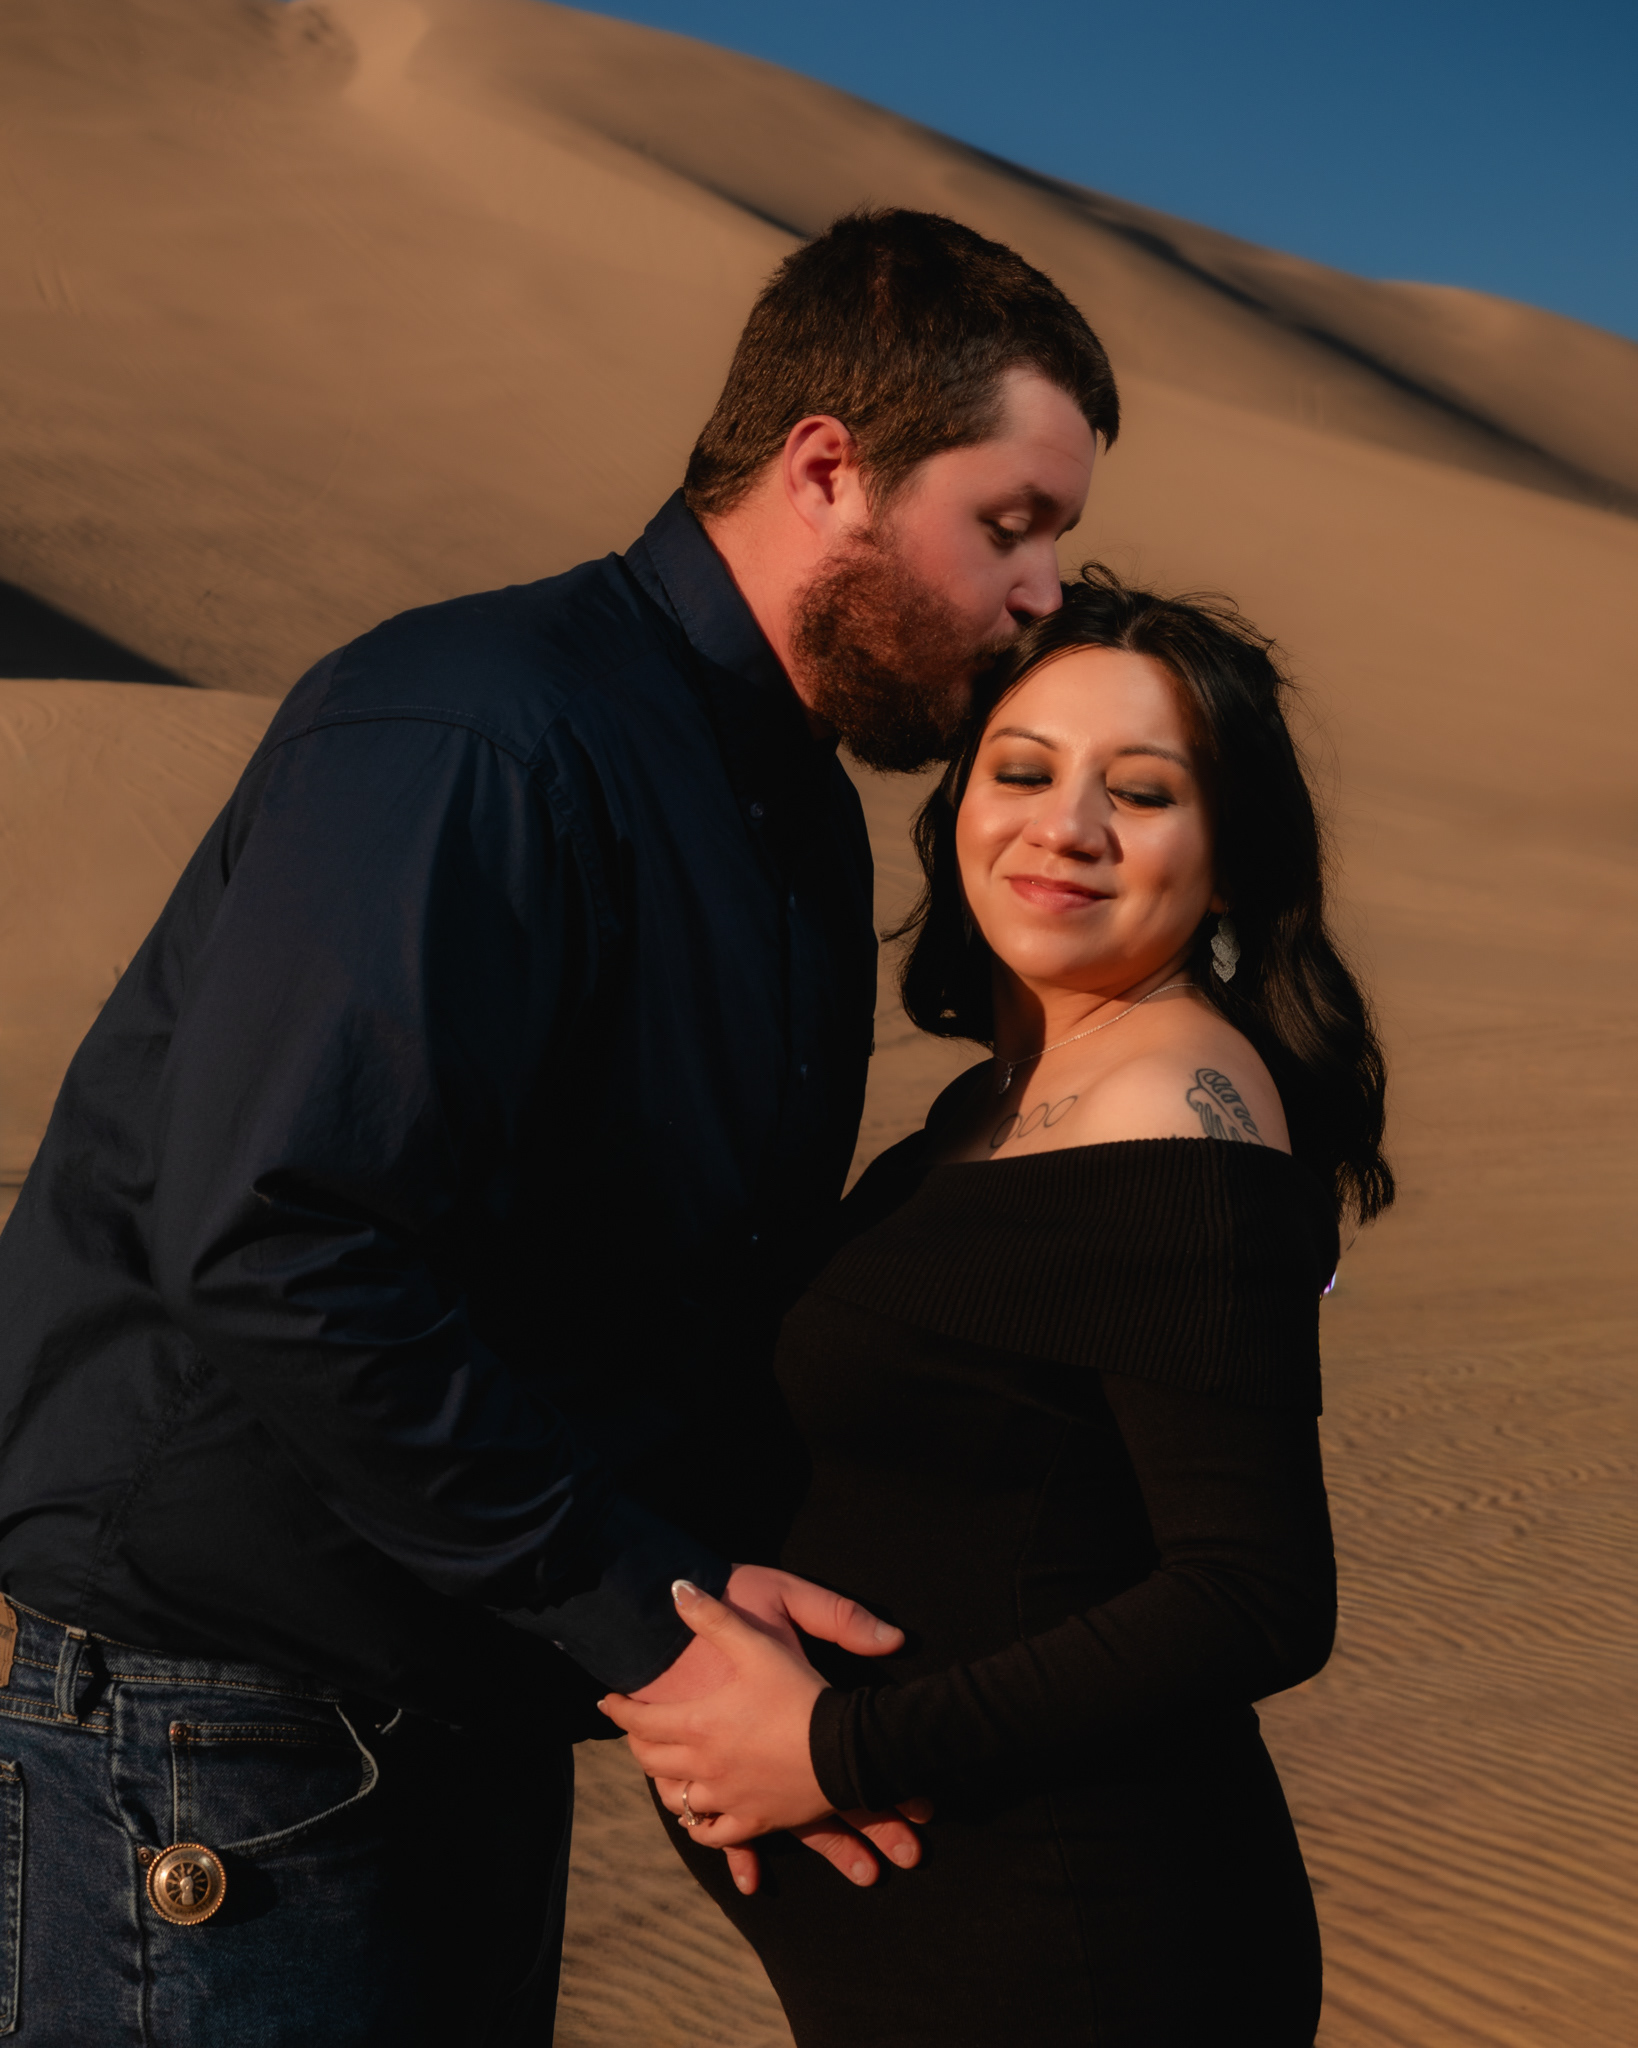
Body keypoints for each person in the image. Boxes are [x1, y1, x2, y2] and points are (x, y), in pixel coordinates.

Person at [0, 211, 1117, 2044]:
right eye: (1009, 522)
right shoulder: (479, 729)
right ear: (826, 469)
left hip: (476, 1695)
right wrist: (652, 1626)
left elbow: (676, 1289)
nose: (1041, 589)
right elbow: (281, 1241)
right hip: (233, 1731)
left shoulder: (787, 811)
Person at [604, 567, 1395, 2046]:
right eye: (1022, 771)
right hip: (958, 1948)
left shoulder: (1179, 1112)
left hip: (1077, 1945)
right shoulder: (1005, 1100)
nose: (1065, 826)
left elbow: (1253, 1594)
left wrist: (840, 1749)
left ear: (1229, 861)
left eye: (1140, 793)